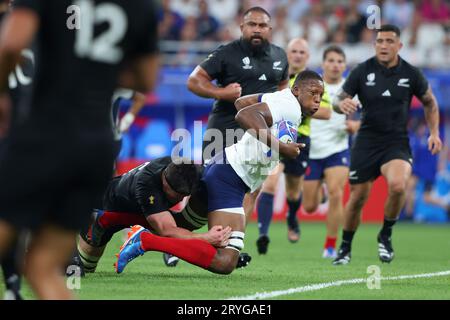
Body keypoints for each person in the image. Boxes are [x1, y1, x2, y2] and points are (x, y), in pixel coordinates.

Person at [0, 0, 160, 299]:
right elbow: (147, 79)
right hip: (97, 145)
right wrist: (96, 76)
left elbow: (11, 44)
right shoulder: (142, 6)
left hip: (43, 134)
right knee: (43, 267)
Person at [115, 70, 324, 275]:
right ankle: (145, 241)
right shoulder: (289, 107)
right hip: (230, 177)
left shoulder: (280, 97)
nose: (317, 100)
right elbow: (244, 114)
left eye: (321, 96)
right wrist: (280, 146)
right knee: (225, 262)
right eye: (313, 93)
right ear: (296, 90)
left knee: (180, 225)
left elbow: (241, 102)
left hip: (223, 166)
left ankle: (111, 220)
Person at [332, 25, 442, 265]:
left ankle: (385, 235)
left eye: (389, 41)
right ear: (375, 45)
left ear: (399, 46)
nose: (384, 45)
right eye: (380, 41)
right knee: (358, 197)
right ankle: (345, 246)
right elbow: (338, 99)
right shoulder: (362, 70)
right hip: (366, 142)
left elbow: (430, 103)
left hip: (396, 142)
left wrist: (434, 133)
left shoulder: (411, 73)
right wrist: (342, 105)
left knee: (399, 186)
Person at [187, 6, 289, 219]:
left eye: (262, 25)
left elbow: (283, 90)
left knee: (252, 189)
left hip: (259, 134)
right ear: (242, 27)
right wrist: (222, 92)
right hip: (224, 130)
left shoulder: (280, 56)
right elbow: (194, 81)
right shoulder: (226, 53)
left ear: (270, 28)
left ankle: (232, 241)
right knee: (206, 187)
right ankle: (180, 233)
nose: (257, 29)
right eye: (252, 24)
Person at [76, 157, 232, 273]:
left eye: (184, 195)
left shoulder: (186, 168)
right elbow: (167, 230)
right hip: (106, 211)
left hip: (142, 214)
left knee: (175, 226)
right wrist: (206, 238)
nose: (180, 199)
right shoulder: (147, 186)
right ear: (164, 181)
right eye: (175, 195)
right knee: (85, 269)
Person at [255, 38, 331, 254]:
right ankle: (263, 233)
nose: (298, 55)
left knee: (293, 190)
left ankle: (291, 216)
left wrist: (302, 108)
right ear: (287, 54)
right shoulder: (275, 76)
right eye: (294, 51)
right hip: (274, 136)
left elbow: (326, 111)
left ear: (307, 57)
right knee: (269, 183)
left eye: (302, 52)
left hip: (301, 138)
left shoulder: (312, 82)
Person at [302, 45, 360, 259]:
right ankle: (321, 191)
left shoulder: (351, 89)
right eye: (331, 61)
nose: (335, 65)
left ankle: (330, 245)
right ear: (323, 64)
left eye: (339, 61)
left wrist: (357, 126)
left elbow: (371, 117)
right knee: (309, 207)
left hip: (338, 149)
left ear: (344, 65)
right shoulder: (312, 87)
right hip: (312, 149)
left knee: (337, 193)